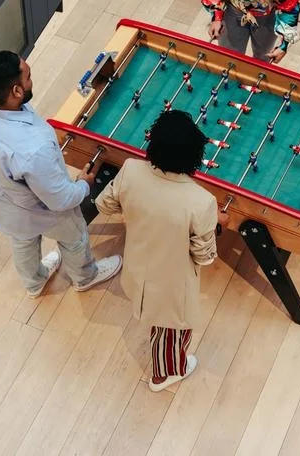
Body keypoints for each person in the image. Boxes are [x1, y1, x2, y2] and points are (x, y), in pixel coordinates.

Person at [0, 50, 122, 298]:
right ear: (16, 91)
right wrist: (84, 185)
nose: (31, 79)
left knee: (22, 240)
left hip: (0, 198)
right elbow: (61, 200)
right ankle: (85, 277)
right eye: (28, 77)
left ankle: (34, 283)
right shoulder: (33, 149)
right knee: (75, 237)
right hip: (41, 208)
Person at [95, 110, 230, 392]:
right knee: (173, 330)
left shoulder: (131, 169)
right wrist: (216, 224)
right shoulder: (202, 201)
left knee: (160, 319)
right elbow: (204, 256)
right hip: (172, 285)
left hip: (136, 269)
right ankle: (164, 374)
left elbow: (104, 204)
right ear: (195, 154)